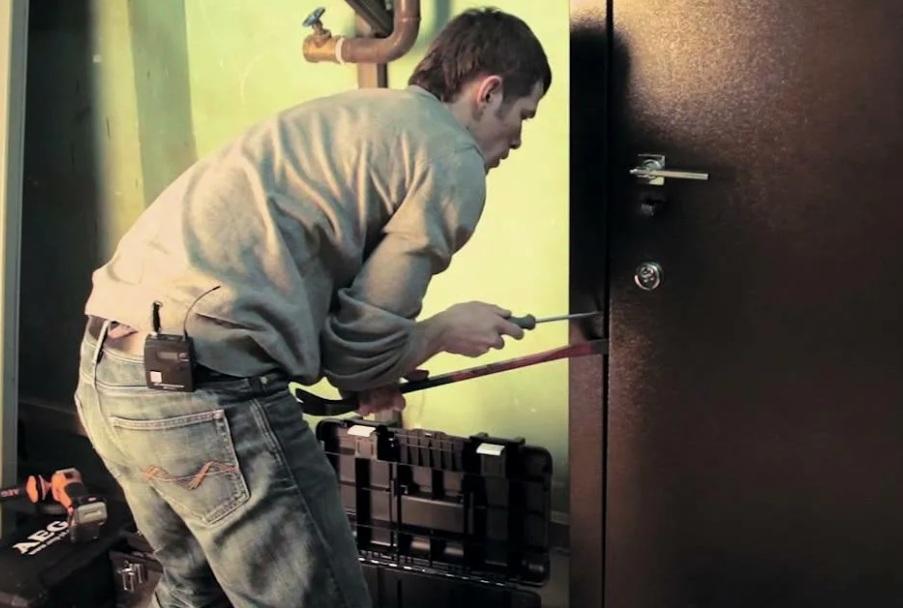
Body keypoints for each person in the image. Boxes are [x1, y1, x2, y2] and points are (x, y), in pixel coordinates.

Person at [72, 8, 550, 607]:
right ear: (489, 92)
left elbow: (317, 306)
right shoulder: (452, 157)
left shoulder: (358, 119)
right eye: (523, 116)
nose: (518, 140)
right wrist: (441, 331)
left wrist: (373, 371)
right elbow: (359, 353)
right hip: (203, 391)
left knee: (194, 591)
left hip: (108, 375)